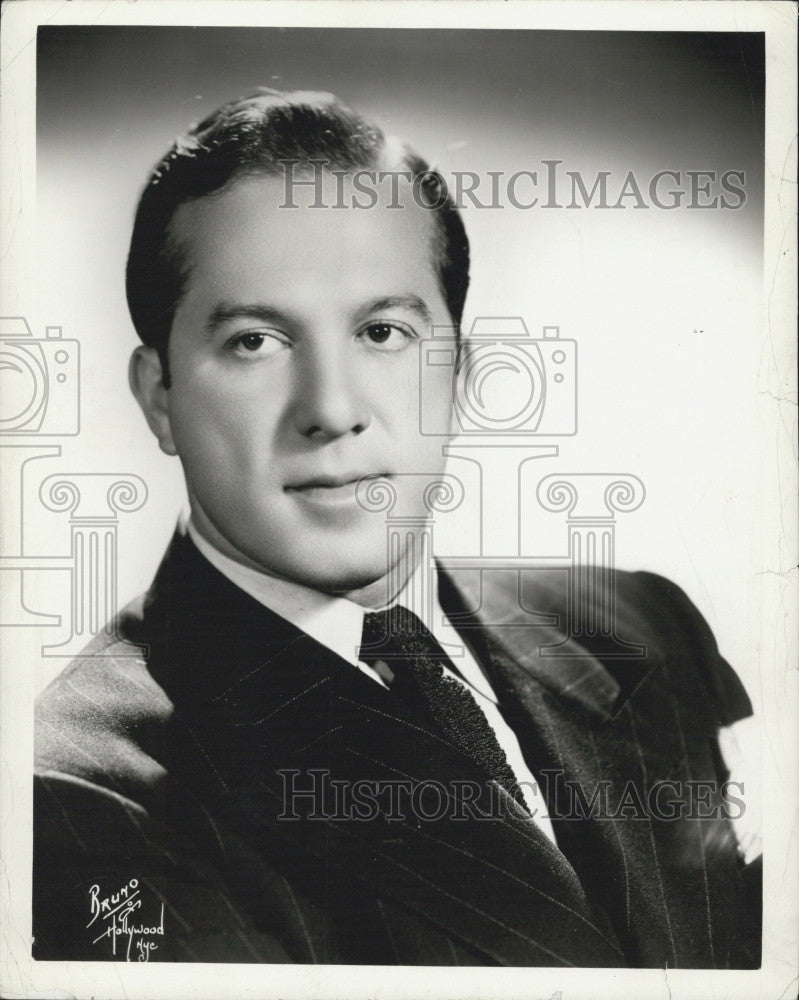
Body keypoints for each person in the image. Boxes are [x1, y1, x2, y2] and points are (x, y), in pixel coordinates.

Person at [32, 89, 761, 967]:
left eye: (383, 332)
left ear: (460, 375)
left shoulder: (645, 629)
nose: (331, 411)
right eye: (255, 342)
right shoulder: (83, 800)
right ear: (160, 399)